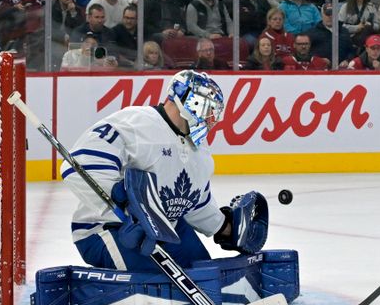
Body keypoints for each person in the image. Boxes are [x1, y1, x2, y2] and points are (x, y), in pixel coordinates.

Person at [61, 71, 261, 271]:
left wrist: (225, 227)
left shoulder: (199, 151)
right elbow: (77, 165)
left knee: (205, 276)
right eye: (207, 108)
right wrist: (123, 200)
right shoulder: (135, 122)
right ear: (186, 100)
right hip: (108, 227)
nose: (210, 118)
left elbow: (195, 202)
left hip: (166, 228)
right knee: (153, 286)